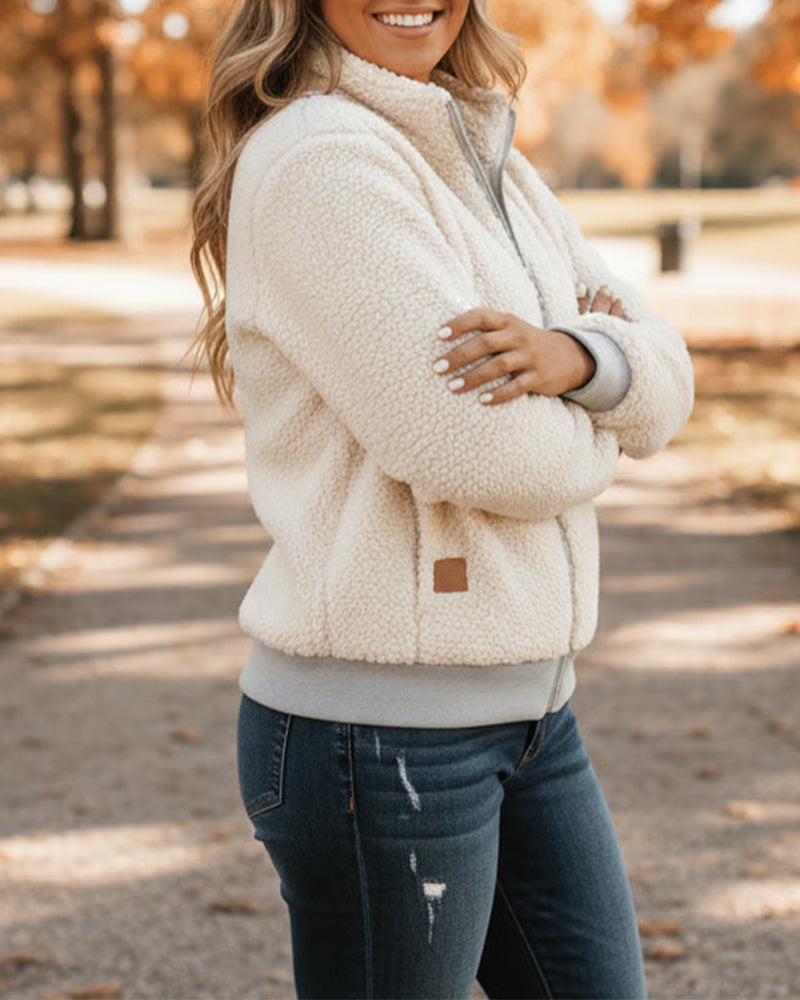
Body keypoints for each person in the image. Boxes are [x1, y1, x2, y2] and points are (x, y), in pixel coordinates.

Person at [188, 1, 694, 997]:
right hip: (381, 737)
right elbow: (485, 451)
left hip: (533, 710)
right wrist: (609, 411)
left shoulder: (479, 143)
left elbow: (667, 372)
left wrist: (576, 356)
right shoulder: (324, 160)